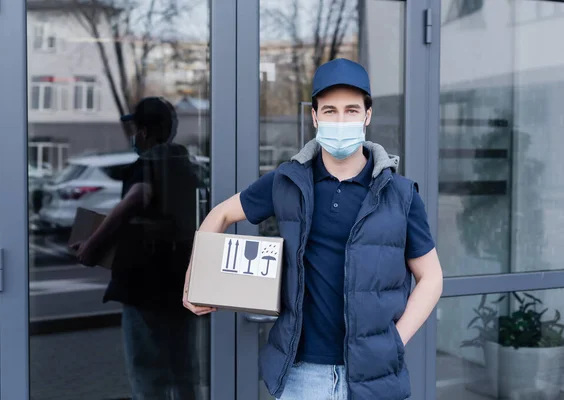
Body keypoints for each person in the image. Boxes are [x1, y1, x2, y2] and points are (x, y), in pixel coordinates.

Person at [183, 58, 443, 399]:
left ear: (367, 116)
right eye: (330, 110)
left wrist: (395, 340)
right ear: (315, 116)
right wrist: (194, 279)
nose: (340, 119)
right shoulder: (287, 181)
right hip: (300, 376)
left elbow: (432, 277)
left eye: (351, 110)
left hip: (372, 379)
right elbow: (220, 214)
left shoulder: (400, 194)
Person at [73, 96, 205, 400]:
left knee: (148, 374)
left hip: (145, 287)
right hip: (180, 284)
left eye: (136, 130)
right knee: (184, 371)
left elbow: (137, 198)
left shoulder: (147, 165)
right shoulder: (185, 166)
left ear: (144, 132)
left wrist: (93, 246)